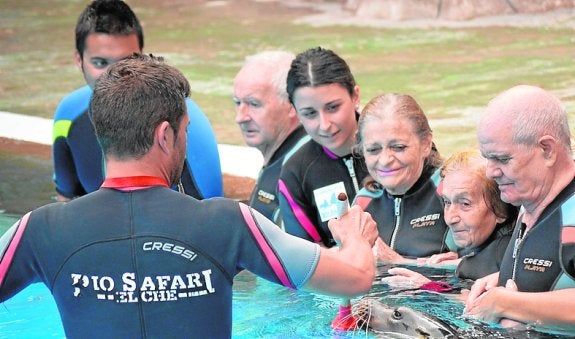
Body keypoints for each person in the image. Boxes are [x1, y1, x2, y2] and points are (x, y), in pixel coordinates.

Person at [0, 54, 378, 338]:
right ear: (165, 135)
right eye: (185, 130)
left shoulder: (40, 229)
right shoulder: (227, 223)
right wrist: (355, 237)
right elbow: (355, 278)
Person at [52, 0, 222, 202]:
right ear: (79, 59)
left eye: (125, 61)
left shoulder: (184, 121)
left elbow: (209, 218)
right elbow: (65, 200)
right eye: (100, 62)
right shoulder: (69, 115)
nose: (112, 74)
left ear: (141, 57)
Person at [464, 85, 575, 330]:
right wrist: (506, 279)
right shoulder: (531, 199)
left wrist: (508, 303)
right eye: (487, 158)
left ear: (546, 150)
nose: (490, 172)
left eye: (502, 159)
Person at [382, 150, 518, 289]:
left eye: (465, 204)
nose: (450, 218)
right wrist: (460, 261)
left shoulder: (508, 254)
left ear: (501, 211)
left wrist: (428, 287)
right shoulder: (487, 249)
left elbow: (477, 304)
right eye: (447, 202)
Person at [278, 47, 369, 247]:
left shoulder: (401, 146)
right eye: (310, 113)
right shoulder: (296, 173)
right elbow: (307, 260)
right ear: (294, 111)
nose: (325, 124)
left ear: (355, 96)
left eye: (333, 107)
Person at [353, 93, 453, 263]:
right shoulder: (363, 202)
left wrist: (398, 261)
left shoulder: (450, 192)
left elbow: (479, 271)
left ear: (426, 144)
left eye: (398, 147)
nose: (385, 160)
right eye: (373, 150)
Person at [233, 51, 310, 223]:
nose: (240, 117)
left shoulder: (298, 170)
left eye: (254, 104)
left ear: (293, 105)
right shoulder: (286, 156)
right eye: (237, 103)